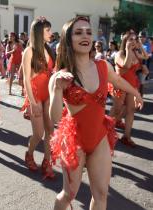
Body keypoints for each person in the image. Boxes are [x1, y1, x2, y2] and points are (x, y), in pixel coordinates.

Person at [48, 17, 143, 210]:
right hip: (75, 141)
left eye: (88, 32)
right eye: (78, 32)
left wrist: (135, 93)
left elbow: (117, 80)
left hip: (99, 138)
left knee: (100, 194)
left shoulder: (102, 65)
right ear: (68, 39)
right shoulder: (59, 76)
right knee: (69, 194)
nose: (85, 36)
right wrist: (58, 89)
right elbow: (55, 117)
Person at [21, 16, 56, 179]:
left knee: (50, 131)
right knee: (38, 134)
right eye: (47, 30)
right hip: (35, 95)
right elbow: (26, 79)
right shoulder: (28, 51)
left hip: (48, 94)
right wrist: (33, 103)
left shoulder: (49, 49)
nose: (51, 32)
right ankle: (29, 153)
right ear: (38, 32)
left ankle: (47, 163)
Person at [110, 31, 147, 147]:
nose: (133, 41)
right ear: (125, 41)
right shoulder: (119, 54)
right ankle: (103, 132)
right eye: (130, 39)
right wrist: (127, 50)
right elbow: (126, 66)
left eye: (135, 39)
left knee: (131, 110)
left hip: (131, 86)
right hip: (120, 85)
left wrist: (140, 46)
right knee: (116, 111)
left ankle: (126, 136)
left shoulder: (135, 53)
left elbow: (145, 56)